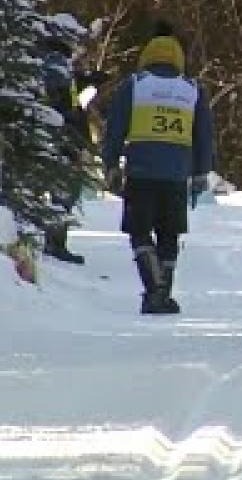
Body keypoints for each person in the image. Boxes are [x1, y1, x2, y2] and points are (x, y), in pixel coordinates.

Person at [102, 22, 216, 314]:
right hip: (176, 176)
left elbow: (114, 128)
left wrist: (111, 164)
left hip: (140, 173)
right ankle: (162, 292)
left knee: (140, 232)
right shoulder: (192, 90)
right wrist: (201, 172)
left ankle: (154, 288)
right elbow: (203, 135)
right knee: (169, 234)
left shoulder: (135, 85)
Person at [39, 36, 91, 265]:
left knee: (60, 190)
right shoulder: (56, 65)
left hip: (55, 135)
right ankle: (55, 242)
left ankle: (53, 240)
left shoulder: (49, 65)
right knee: (64, 190)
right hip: (61, 138)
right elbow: (65, 104)